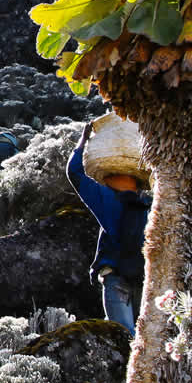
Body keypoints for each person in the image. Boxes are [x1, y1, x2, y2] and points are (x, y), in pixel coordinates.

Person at [66, 117, 151, 335]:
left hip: (116, 277)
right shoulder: (149, 204)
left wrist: (83, 140)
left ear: (108, 174)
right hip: (144, 277)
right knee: (145, 338)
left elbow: (74, 172)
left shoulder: (107, 199)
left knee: (124, 336)